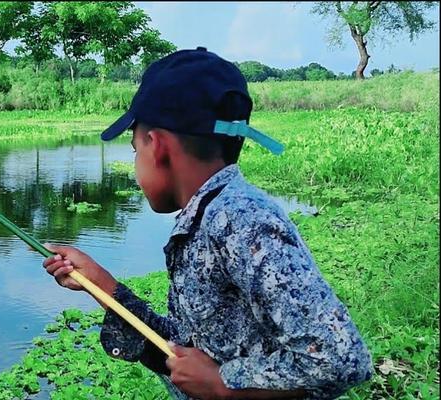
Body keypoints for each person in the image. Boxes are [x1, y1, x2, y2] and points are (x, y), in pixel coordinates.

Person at [42, 47, 372, 399]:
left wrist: (224, 385)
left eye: (135, 150)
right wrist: (103, 285)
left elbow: (341, 360)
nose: (137, 164)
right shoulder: (205, 218)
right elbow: (183, 353)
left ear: (157, 147)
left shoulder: (241, 219)